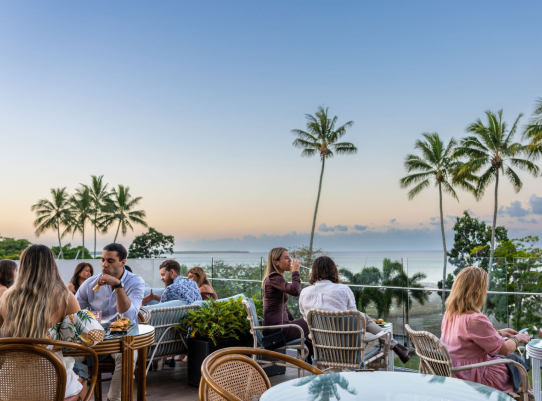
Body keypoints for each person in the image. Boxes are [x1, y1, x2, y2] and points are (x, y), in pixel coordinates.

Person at [0, 245, 104, 401]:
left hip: (9, 384)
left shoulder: (6, 297)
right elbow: (88, 335)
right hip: (53, 382)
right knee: (82, 377)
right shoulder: (64, 296)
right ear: (52, 266)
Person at [298, 255, 415, 363]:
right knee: (372, 330)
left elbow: (307, 319)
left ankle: (399, 348)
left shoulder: (304, 293)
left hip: (322, 348)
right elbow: (354, 317)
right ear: (333, 271)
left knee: (363, 317)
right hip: (348, 348)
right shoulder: (342, 289)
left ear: (313, 272)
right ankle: (396, 348)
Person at [441, 266, 530, 393]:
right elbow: (504, 350)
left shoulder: (450, 313)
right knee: (516, 364)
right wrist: (518, 338)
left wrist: (499, 333)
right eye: (484, 289)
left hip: (453, 370)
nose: (486, 293)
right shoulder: (475, 319)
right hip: (473, 376)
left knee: (513, 363)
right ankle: (528, 396)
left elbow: (465, 340)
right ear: (476, 292)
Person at [76, 243, 145, 401]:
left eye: (110, 261)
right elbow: (75, 313)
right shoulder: (90, 283)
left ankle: (113, 398)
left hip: (123, 337)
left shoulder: (135, 282)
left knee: (129, 355)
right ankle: (78, 397)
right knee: (69, 355)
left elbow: (127, 315)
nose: (104, 265)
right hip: (93, 338)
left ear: (122, 262)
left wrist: (117, 285)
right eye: (102, 260)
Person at [262, 247, 313, 361]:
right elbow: (296, 291)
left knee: (309, 332)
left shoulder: (275, 279)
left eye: (290, 257)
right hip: (276, 334)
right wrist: (295, 272)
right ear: (276, 262)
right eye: (286, 258)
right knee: (312, 320)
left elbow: (284, 307)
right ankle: (317, 362)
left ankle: (312, 362)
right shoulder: (274, 277)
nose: (290, 260)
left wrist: (294, 323)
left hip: (279, 329)